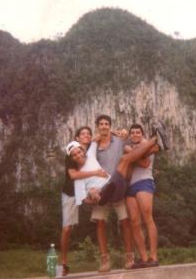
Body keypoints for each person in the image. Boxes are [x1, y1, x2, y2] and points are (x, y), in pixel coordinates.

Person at [67, 115, 169, 272]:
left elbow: (142, 160)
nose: (79, 154)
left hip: (118, 185)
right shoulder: (82, 167)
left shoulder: (100, 147)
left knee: (127, 221)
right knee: (104, 223)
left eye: (106, 124)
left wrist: (116, 133)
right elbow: (82, 198)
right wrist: (91, 195)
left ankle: (132, 257)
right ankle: (157, 142)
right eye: (75, 154)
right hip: (104, 193)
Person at [60, 126, 107, 276]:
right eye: (82, 134)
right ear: (77, 138)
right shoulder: (72, 152)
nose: (86, 136)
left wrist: (117, 132)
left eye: (88, 134)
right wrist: (96, 172)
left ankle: (104, 259)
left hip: (89, 187)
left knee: (99, 215)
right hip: (71, 193)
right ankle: (64, 263)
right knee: (67, 228)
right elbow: (73, 175)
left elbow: (101, 135)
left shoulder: (90, 149)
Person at [124, 124, 160, 268]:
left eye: (138, 132)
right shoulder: (130, 147)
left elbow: (145, 164)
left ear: (142, 134)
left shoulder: (147, 145)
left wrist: (132, 156)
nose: (135, 134)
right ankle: (144, 258)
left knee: (147, 217)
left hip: (144, 182)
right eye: (132, 133)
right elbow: (130, 159)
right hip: (129, 186)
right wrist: (133, 154)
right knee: (134, 222)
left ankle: (153, 256)